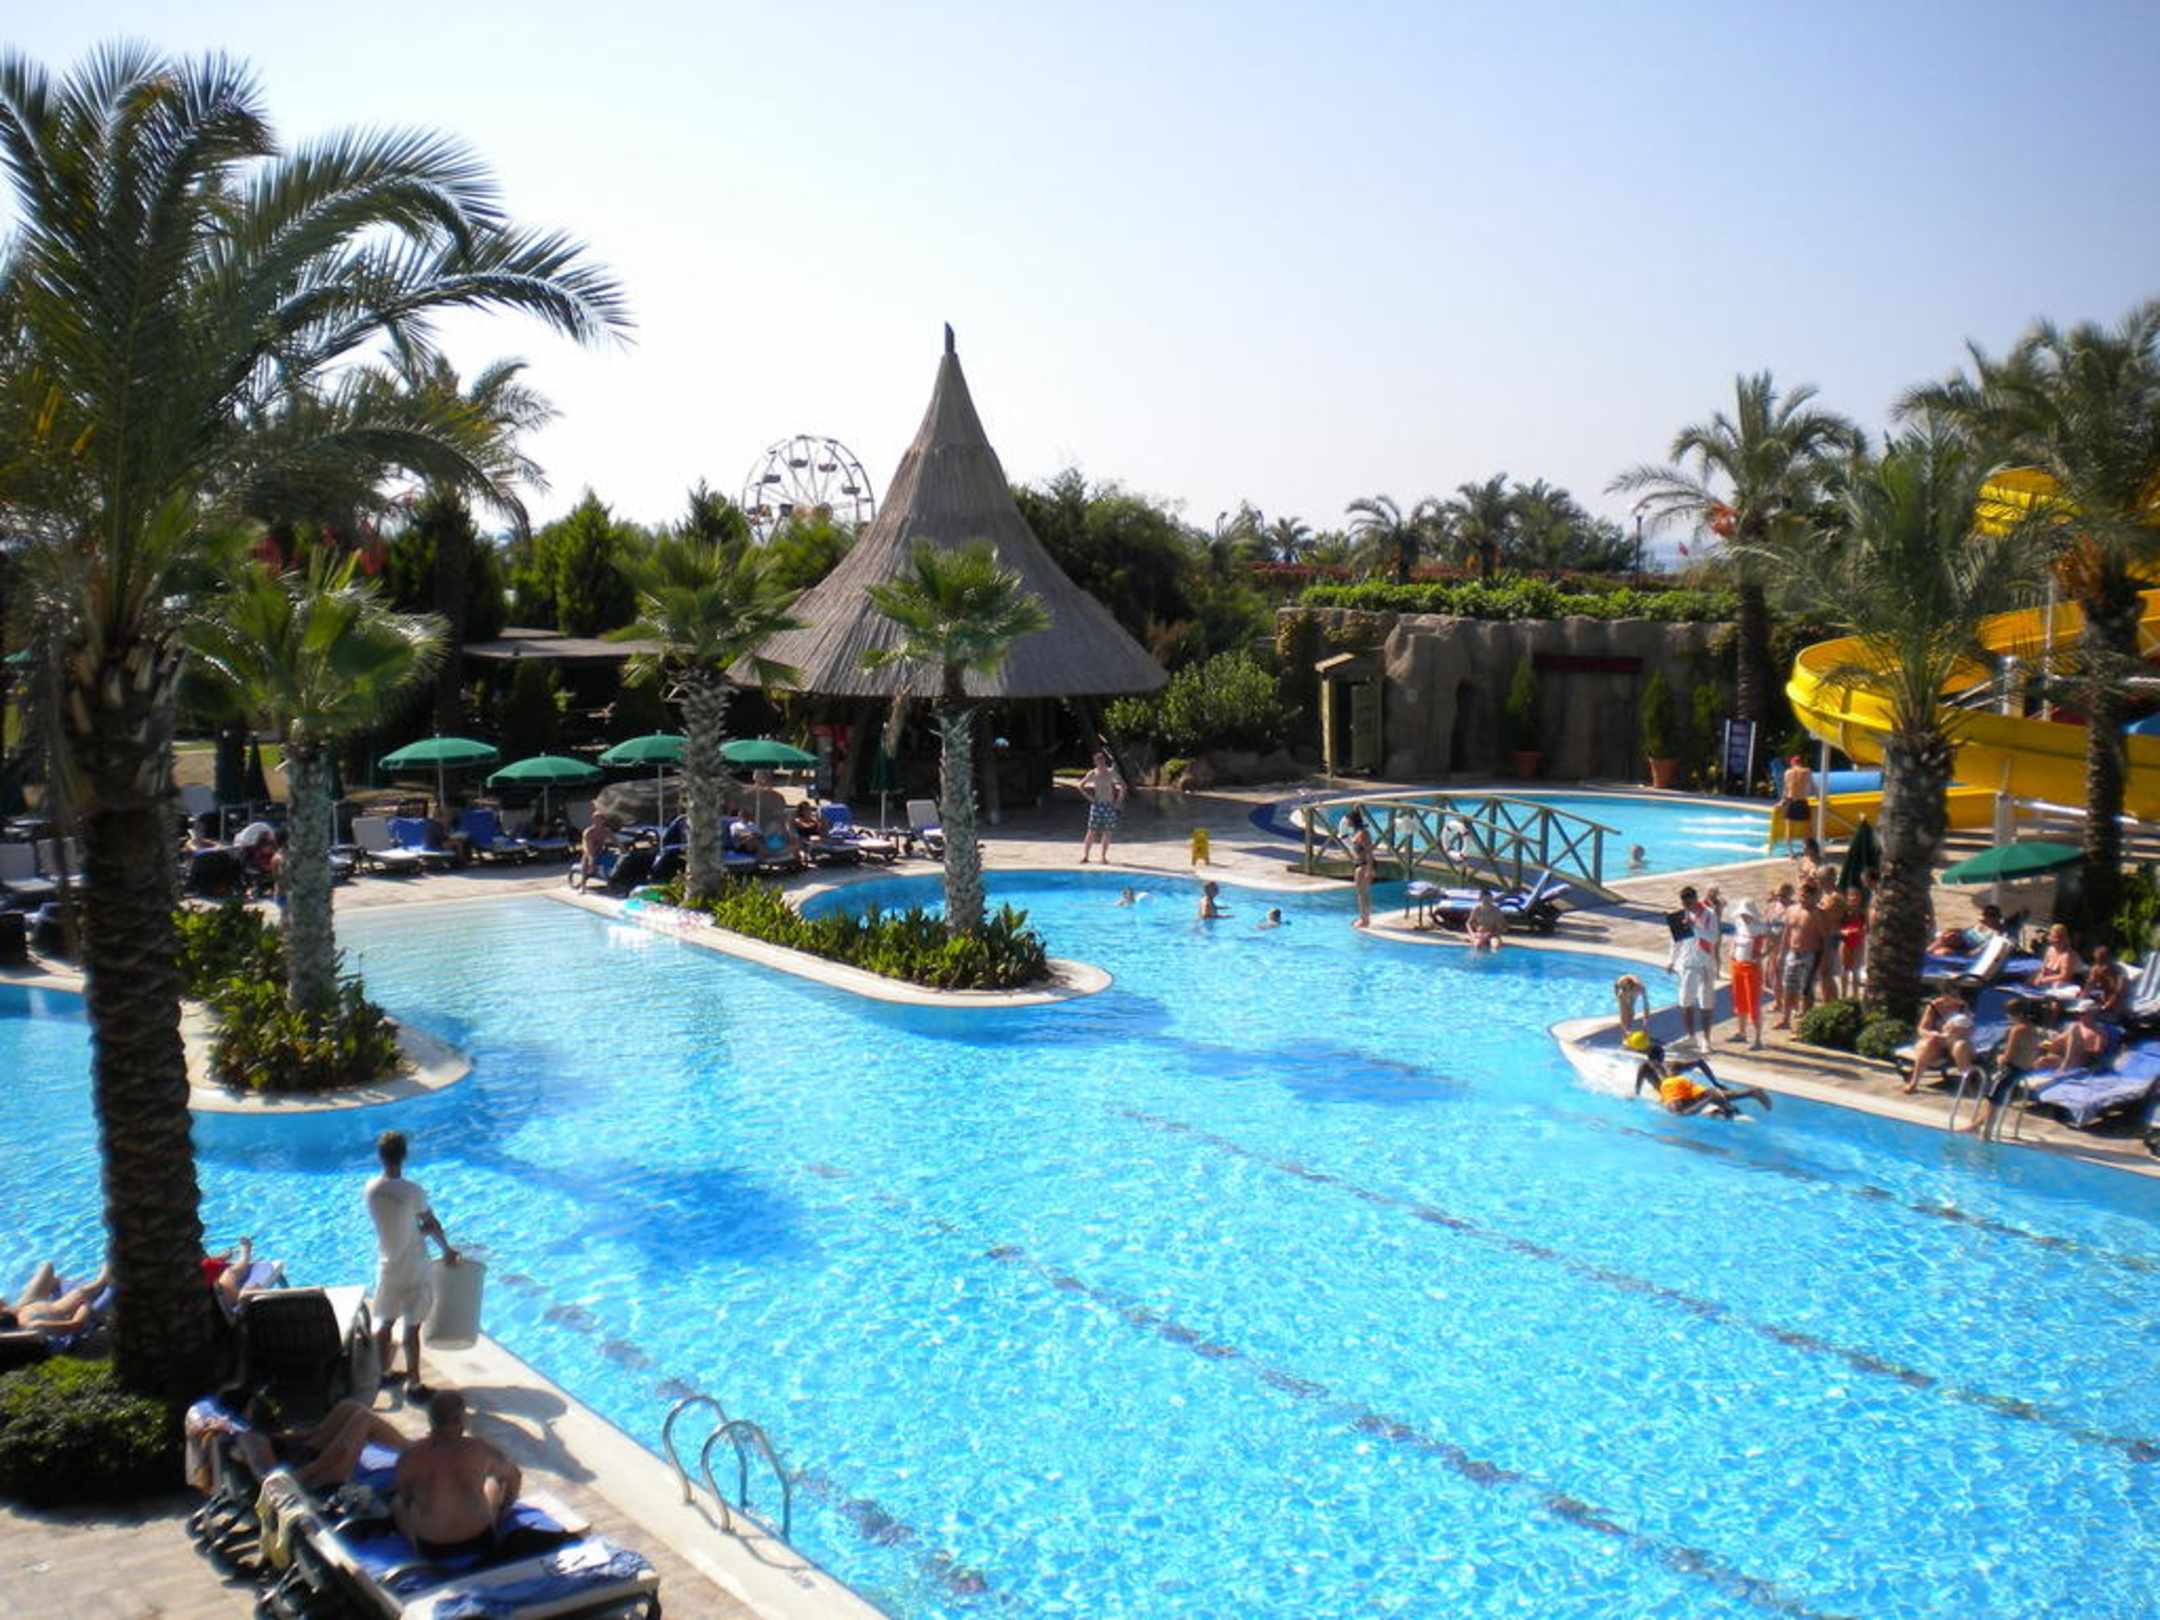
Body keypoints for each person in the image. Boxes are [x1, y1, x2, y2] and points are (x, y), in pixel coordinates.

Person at [367, 1130, 459, 1401]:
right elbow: (431, 1223)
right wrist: (446, 1250)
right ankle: (414, 1384)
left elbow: (395, 1224)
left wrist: (416, 1230)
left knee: (386, 1322)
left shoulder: (371, 1189)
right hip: (414, 1265)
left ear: (380, 1156)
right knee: (412, 1326)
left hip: (387, 1264)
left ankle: (383, 1373)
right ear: (404, 1156)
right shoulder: (412, 1191)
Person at [392, 1390, 522, 1562]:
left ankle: (414, 1547)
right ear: (460, 1419)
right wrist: (505, 1508)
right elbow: (514, 1476)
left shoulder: (410, 1456)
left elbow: (406, 1497)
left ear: (431, 1420)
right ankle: (497, 1521)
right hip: (481, 1539)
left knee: (397, 1503)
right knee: (493, 1482)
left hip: (432, 1547)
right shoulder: (479, 1449)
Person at [237, 1396, 410, 1490]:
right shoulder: (251, 1438)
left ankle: (411, 1448)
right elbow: (274, 1482)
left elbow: (282, 1441)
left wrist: (313, 1434)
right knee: (364, 1420)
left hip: (306, 1457)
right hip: (315, 1477)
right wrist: (316, 1467)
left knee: (349, 1407)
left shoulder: (255, 1431)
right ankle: (413, 1452)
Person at [1957, 998, 2043, 1137]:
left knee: (1992, 1098)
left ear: (2015, 1014)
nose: (2008, 1017)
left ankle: (1986, 1133)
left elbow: (2008, 1056)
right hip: (2024, 1070)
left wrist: (2000, 1058)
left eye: (2009, 1014)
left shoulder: (2017, 1030)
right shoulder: (2034, 1030)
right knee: (1992, 1095)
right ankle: (1976, 1125)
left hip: (2011, 1070)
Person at [1633, 1042, 1774, 1118]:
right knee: (1700, 1098)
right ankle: (1748, 1094)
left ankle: (1722, 1105)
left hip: (1671, 1089)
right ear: (1662, 1056)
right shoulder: (1673, 1065)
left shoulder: (1645, 1066)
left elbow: (1637, 1089)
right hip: (1681, 1085)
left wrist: (1636, 1095)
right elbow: (1700, 1062)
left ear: (1648, 1056)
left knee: (1679, 1113)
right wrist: (1715, 1082)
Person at [1669, 885, 1719, 1049]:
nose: (1687, 907)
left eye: (1689, 903)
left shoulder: (1709, 914)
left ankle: (1706, 1039)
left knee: (1706, 1002)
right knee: (1685, 1001)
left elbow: (1713, 938)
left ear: (1695, 899)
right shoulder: (1681, 915)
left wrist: (1695, 927)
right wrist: (1671, 960)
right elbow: (1676, 940)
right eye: (1684, 904)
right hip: (1687, 963)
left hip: (1705, 963)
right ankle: (1691, 1037)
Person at [1902, 984, 1976, 1093]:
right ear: (1944, 995)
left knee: (1960, 1046)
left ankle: (1968, 1083)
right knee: (1929, 1043)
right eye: (1953, 996)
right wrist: (1932, 1034)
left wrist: (1958, 1030)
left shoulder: (1963, 1007)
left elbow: (1971, 1030)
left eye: (1957, 996)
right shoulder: (1934, 1006)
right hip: (1937, 1042)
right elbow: (1921, 1029)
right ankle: (1914, 1083)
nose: (1957, 999)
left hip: (1955, 1040)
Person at [0, 1262, 107, 1337]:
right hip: (61, 1307)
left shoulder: (18, 1312)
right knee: (87, 1289)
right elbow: (75, 1324)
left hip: (28, 1306)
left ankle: (55, 1283)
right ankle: (103, 1278)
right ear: (4, 1312)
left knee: (46, 1266)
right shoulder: (34, 1325)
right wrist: (85, 1306)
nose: (2, 1300)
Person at [1777, 881, 1826, 1029]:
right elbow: (1787, 933)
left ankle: (1803, 1023)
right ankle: (1785, 1019)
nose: (1803, 899)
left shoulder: (1817, 914)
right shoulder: (1791, 910)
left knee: (1805, 990)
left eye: (1806, 896)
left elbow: (1824, 938)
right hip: (1793, 953)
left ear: (1814, 897)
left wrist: (1823, 961)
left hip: (1809, 954)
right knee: (1788, 987)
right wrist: (1781, 953)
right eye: (1801, 895)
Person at [1727, 896, 1767, 1049]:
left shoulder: (1760, 928)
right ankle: (1741, 1032)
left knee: (1753, 1003)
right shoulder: (1739, 924)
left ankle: (1758, 1039)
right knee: (1739, 1000)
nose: (1743, 916)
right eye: (1742, 914)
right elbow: (1735, 938)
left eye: (1746, 914)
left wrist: (1763, 955)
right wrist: (1732, 951)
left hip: (1752, 969)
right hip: (1737, 966)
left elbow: (1775, 940)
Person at [2041, 998, 2116, 1074]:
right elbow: (2060, 1040)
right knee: (2042, 1061)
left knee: (2074, 1028)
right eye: (2078, 1013)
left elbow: (2097, 1053)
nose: (2079, 1016)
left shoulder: (2099, 1031)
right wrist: (2050, 1043)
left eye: (2082, 1013)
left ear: (2092, 1013)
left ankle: (2066, 1066)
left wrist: (2080, 1046)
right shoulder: (2077, 1026)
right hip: (2064, 1056)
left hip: (2080, 1060)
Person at [1077, 749, 1126, 865]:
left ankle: (1103, 856)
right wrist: (1090, 798)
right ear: (1095, 762)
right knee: (1091, 831)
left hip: (1109, 805)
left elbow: (1123, 785)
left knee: (1107, 831)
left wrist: (1118, 801)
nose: (1101, 763)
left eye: (1102, 760)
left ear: (1105, 761)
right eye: (1098, 761)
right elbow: (1080, 785)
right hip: (1097, 805)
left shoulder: (1111, 772)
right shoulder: (1093, 773)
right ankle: (1086, 856)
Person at [1929, 903, 2003, 957]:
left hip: (1965, 947)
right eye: (1984, 913)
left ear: (1997, 918)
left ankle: (1929, 953)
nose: (1985, 916)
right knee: (1946, 937)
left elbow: (1983, 947)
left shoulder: (1997, 933)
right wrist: (1954, 932)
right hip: (1961, 938)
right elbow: (1965, 930)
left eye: (1991, 915)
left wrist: (1971, 953)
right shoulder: (1980, 924)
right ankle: (1928, 952)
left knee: (1942, 952)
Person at [1345, 808, 1375, 929]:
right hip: (1359, 864)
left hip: (1363, 866)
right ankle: (1364, 918)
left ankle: (1364, 920)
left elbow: (1369, 852)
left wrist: (1369, 870)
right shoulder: (1357, 833)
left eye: (1348, 820)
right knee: (1361, 893)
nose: (1346, 822)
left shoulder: (1363, 833)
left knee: (1362, 894)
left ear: (1353, 820)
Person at [1779, 755, 1815, 854]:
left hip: (1791, 801)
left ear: (1792, 763)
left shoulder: (1787, 772)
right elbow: (1813, 786)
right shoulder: (1807, 771)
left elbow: (1785, 789)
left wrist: (1782, 801)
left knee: (1789, 828)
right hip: (1802, 801)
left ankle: (1791, 852)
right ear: (1801, 763)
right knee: (1807, 828)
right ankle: (1806, 849)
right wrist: (1819, 798)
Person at [2083, 946, 2130, 1019]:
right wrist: (2084, 993)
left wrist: (2107, 1005)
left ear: (2109, 958)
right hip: (2104, 995)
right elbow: (2090, 983)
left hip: (2119, 999)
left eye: (2102, 961)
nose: (2100, 964)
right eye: (2098, 961)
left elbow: (2119, 991)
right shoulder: (2096, 968)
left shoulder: (2119, 971)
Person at [2032, 923, 2084, 990]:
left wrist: (2045, 979)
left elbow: (2065, 976)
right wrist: (2040, 976)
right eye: (2052, 938)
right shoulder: (2050, 949)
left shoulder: (2068, 955)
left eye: (2056, 939)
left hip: (2074, 979)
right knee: (2032, 980)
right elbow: (2043, 967)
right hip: (2054, 977)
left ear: (2063, 939)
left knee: (2058, 986)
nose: (2053, 941)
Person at [575, 810, 610, 892]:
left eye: (599, 819)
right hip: (589, 852)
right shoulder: (588, 832)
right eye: (595, 819)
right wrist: (591, 859)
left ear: (603, 820)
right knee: (586, 860)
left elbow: (617, 842)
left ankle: (611, 881)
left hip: (600, 852)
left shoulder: (606, 831)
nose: (597, 821)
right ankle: (583, 885)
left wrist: (623, 851)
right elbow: (587, 847)